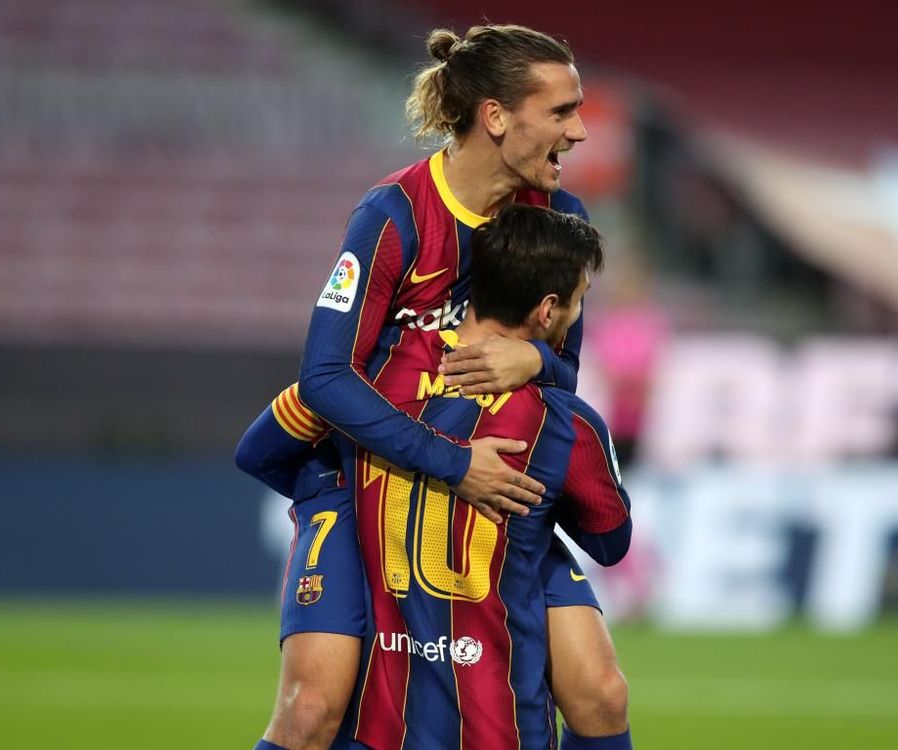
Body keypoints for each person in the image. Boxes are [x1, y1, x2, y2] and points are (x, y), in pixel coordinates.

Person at [236, 24, 629, 750]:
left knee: (601, 695)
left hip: (494, 496)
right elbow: (325, 377)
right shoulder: (395, 217)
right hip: (366, 486)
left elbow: (563, 377)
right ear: (497, 117)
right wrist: (453, 464)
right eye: (562, 111)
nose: (579, 131)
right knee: (312, 710)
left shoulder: (562, 220)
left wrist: (537, 365)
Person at [340, 204, 630, 749]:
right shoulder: (564, 423)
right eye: (579, 301)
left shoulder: (374, 375)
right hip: (500, 722)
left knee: (602, 692)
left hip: (380, 705)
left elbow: (263, 447)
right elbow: (611, 541)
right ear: (548, 311)